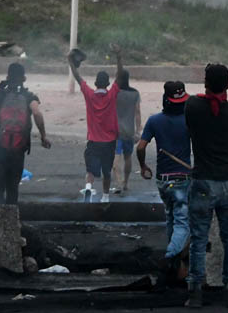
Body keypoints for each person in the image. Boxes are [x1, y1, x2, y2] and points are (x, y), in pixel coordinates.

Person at [184, 64, 228, 309]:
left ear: (206, 83)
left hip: (202, 182)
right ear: (227, 84)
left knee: (198, 240)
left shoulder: (193, 106)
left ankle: (195, 292)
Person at [0, 63, 50, 205]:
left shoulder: (0, 94)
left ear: (7, 77)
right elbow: (37, 113)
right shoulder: (29, 96)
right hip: (19, 146)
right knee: (13, 185)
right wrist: (43, 136)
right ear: (24, 78)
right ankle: (11, 216)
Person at [137, 81, 192, 263]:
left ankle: (174, 260)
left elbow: (141, 147)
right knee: (183, 223)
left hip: (163, 179)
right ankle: (170, 257)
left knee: (170, 217)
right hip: (183, 179)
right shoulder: (190, 120)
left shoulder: (154, 120)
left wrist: (143, 165)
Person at [68, 45, 124, 203]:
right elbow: (119, 76)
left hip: (93, 140)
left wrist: (70, 61)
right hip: (109, 141)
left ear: (96, 83)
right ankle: (105, 197)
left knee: (90, 169)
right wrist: (119, 57)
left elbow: (78, 77)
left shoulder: (89, 94)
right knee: (107, 171)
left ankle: (88, 187)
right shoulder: (112, 94)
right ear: (107, 84)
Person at [111, 69, 141, 193]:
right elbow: (137, 113)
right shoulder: (135, 93)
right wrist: (138, 130)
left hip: (116, 131)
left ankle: (118, 184)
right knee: (128, 157)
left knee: (116, 158)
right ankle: (126, 183)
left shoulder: (115, 93)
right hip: (129, 131)